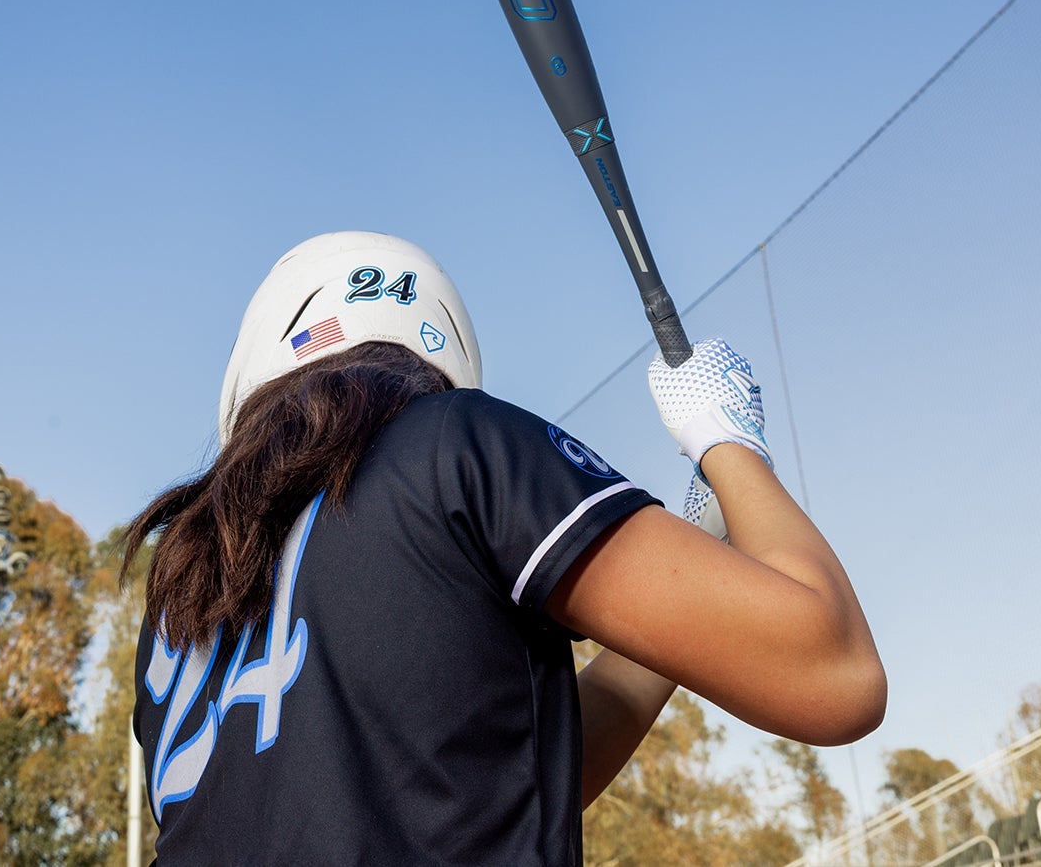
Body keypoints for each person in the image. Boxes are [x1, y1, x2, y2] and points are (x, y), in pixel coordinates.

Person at [126, 231, 883, 865]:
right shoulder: (451, 441)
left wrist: (691, 556)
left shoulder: (176, 614)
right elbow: (832, 669)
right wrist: (729, 440)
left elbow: (500, 770)